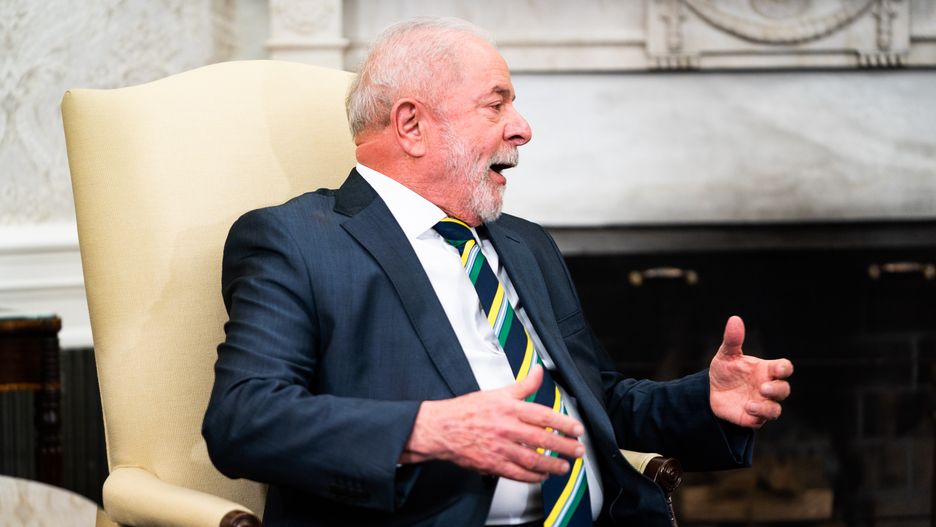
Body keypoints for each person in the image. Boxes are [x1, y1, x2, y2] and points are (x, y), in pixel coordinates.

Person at [202, 17, 793, 527]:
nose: (523, 128)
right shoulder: (298, 240)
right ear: (411, 126)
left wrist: (705, 403)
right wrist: (428, 429)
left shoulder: (525, 243)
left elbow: (595, 400)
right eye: (497, 103)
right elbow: (245, 419)